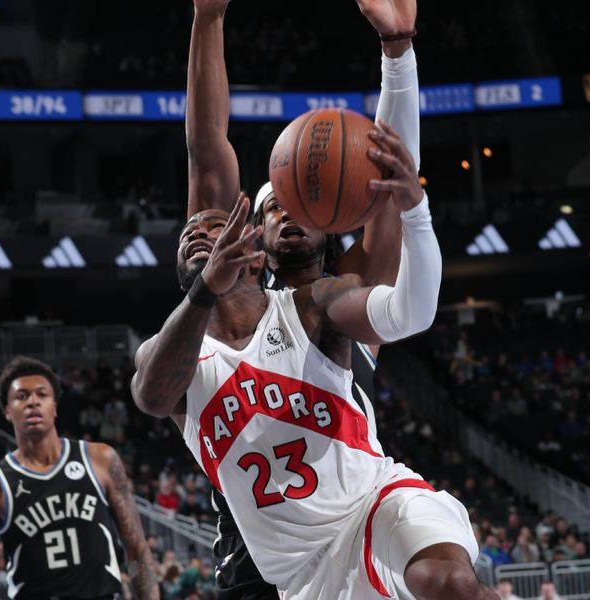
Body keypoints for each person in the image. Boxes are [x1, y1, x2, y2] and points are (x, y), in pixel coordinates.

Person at [134, 121, 493, 599]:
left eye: (216, 228)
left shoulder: (313, 304)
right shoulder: (174, 353)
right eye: (189, 233)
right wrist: (205, 291)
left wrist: (416, 211)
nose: (200, 232)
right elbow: (152, 398)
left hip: (371, 504)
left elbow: (412, 313)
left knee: (451, 583)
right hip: (298, 571)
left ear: (256, 257)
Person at [185, 0, 421, 595]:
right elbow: (208, 149)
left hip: (346, 542)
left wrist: (398, 52)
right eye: (271, 208)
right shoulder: (231, 306)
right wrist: (208, 17)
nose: (285, 214)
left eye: (298, 204)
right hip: (253, 561)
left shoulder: (349, 294)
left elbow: (393, 183)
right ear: (252, 235)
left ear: (331, 218)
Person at [0, 356, 159, 599]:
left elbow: (137, 549)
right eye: (21, 396)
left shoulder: (100, 459)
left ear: (54, 406)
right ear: (7, 411)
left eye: (41, 394)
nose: (32, 402)